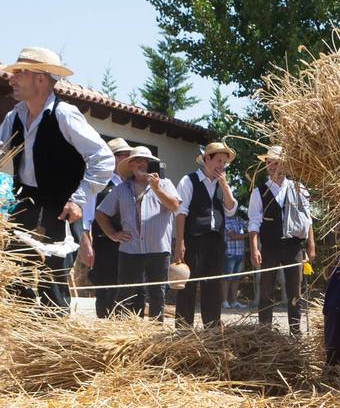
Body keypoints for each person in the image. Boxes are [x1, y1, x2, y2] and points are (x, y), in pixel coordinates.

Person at [0, 47, 115, 312]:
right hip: (24, 207)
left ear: (40, 79)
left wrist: (78, 198)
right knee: (11, 275)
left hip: (60, 210)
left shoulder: (64, 115)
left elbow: (103, 159)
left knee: (53, 286)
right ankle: (25, 335)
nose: (11, 79)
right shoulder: (14, 117)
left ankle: (53, 346)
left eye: (19, 73)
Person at [96, 146, 180, 319]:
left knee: (157, 294)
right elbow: (100, 213)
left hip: (158, 249)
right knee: (124, 294)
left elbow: (174, 206)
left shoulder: (165, 184)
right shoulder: (121, 189)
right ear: (131, 165)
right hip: (130, 249)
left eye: (146, 160)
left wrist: (157, 189)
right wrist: (112, 233)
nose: (143, 163)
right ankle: (121, 332)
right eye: (138, 160)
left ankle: (157, 334)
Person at [173, 142, 241, 328]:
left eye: (224, 162)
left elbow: (230, 210)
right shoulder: (189, 181)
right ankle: (183, 331)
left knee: (213, 288)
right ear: (206, 159)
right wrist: (180, 243)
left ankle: (212, 331)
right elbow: (180, 212)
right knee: (188, 286)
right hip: (193, 240)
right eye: (219, 160)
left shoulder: (223, 184)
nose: (222, 165)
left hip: (216, 242)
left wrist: (225, 185)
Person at [248, 146, 316, 335]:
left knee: (295, 290)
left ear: (284, 165)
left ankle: (295, 331)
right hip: (270, 246)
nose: (271, 166)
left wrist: (311, 245)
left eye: (275, 162)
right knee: (266, 289)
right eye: (268, 162)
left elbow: (307, 219)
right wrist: (254, 248)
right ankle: (264, 331)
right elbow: (254, 222)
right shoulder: (258, 192)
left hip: (294, 246)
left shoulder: (299, 188)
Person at [75, 138, 131, 317]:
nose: (130, 160)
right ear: (115, 158)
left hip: (128, 246)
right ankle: (105, 326)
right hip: (105, 243)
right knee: (107, 289)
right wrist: (86, 242)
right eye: (125, 156)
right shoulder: (99, 183)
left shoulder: (129, 184)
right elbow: (87, 215)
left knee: (125, 289)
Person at [223, 204, 250, 308]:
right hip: (229, 253)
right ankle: (224, 301)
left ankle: (234, 301)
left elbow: (249, 226)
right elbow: (233, 236)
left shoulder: (238, 219)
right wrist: (248, 235)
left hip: (239, 253)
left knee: (236, 278)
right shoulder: (225, 220)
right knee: (227, 278)